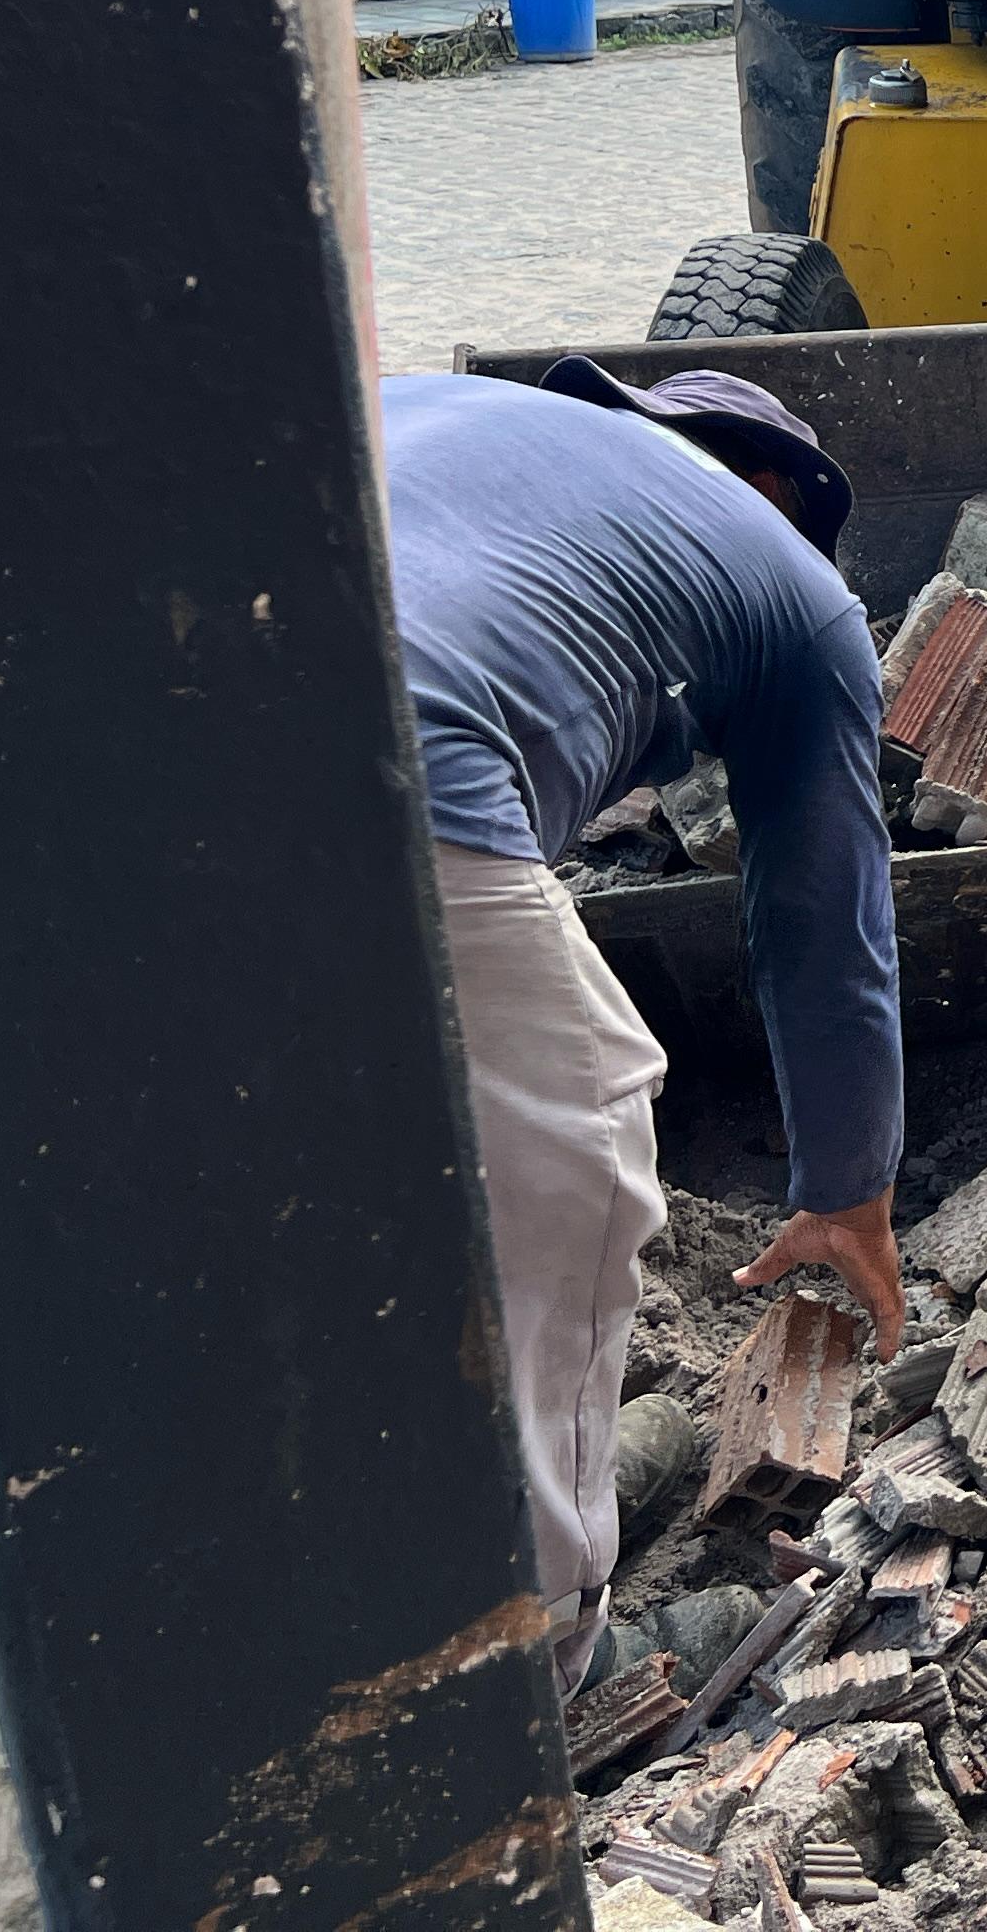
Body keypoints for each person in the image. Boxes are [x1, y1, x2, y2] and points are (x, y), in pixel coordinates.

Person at [379, 358, 906, 1693]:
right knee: (580, 1153)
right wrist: (847, 1193)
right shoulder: (799, 588)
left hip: (91, 722)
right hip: (391, 766)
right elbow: (819, 920)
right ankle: (551, 1666)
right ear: (782, 491)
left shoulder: (444, 407)